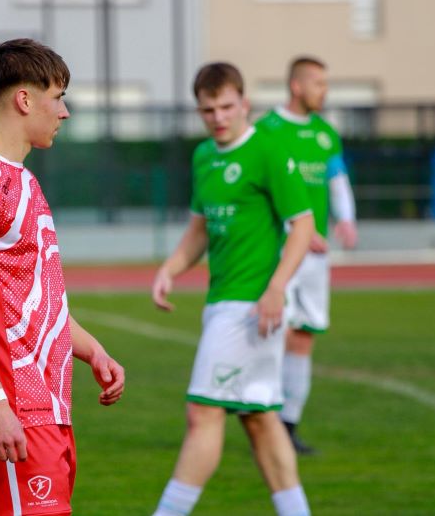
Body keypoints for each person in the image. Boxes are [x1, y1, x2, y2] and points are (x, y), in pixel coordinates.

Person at [0, 38, 125, 515]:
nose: (64, 112)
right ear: (24, 99)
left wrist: (92, 350)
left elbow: (33, 300)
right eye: (57, 97)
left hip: (45, 402)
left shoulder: (22, 180)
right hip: (12, 402)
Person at [152, 62, 314, 516]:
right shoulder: (204, 156)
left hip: (250, 308)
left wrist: (276, 288)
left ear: (244, 103)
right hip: (222, 302)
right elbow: (199, 231)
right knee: (260, 419)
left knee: (202, 413)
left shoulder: (268, 149)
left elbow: (303, 226)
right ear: (199, 111)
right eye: (209, 110)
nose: (219, 117)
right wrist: (171, 268)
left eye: (227, 106)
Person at [255, 57, 358, 454]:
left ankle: (289, 427)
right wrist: (297, 229)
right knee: (274, 332)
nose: (324, 91)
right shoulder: (267, 129)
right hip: (281, 251)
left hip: (315, 257)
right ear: (296, 86)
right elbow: (261, 190)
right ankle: (263, 418)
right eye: (318, 83)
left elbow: (337, 180)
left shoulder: (326, 133)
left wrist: (345, 219)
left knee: (304, 336)